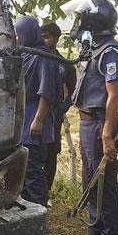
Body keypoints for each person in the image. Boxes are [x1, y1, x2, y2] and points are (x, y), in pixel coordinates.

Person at [63, 0, 118, 235]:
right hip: (88, 122)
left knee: (104, 187)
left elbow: (113, 97)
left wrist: (107, 133)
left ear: (93, 22)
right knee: (90, 183)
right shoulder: (94, 49)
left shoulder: (111, 53)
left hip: (101, 123)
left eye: (80, 19)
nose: (77, 24)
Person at [15, 16, 61, 206]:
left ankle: (39, 210)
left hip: (35, 120)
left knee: (33, 170)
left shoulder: (45, 58)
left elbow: (47, 92)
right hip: (23, 118)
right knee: (24, 171)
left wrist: (38, 120)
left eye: (20, 35)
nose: (18, 39)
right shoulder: (27, 54)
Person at [40, 22, 77, 196]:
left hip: (54, 116)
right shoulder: (34, 59)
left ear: (56, 39)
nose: (43, 40)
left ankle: (45, 192)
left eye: (46, 37)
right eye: (41, 36)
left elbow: (74, 91)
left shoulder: (65, 64)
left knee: (50, 153)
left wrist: (62, 108)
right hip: (33, 114)